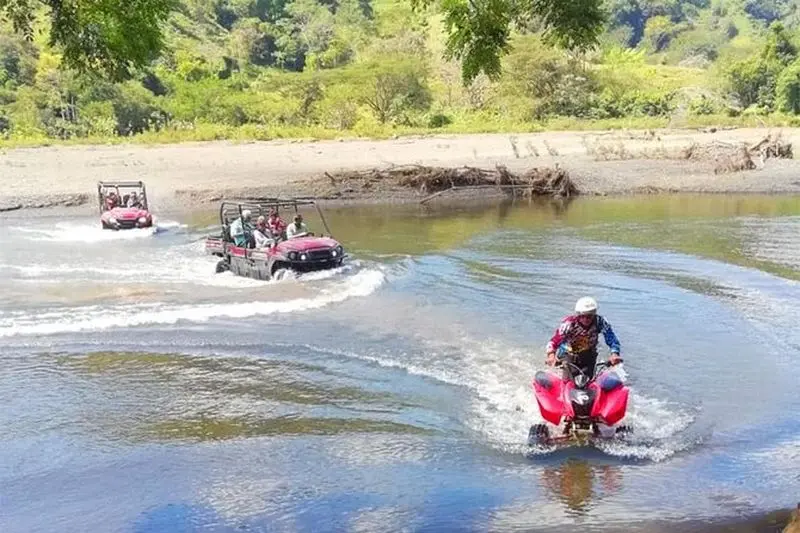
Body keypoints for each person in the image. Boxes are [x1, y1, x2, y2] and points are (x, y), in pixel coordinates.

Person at [545, 297, 621, 379]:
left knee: (587, 380)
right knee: (568, 379)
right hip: (568, 355)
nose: (586, 319)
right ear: (578, 314)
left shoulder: (600, 322)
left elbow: (611, 338)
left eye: (589, 316)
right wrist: (551, 356)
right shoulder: (569, 324)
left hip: (588, 355)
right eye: (582, 316)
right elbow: (554, 341)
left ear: (594, 314)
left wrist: (614, 354)